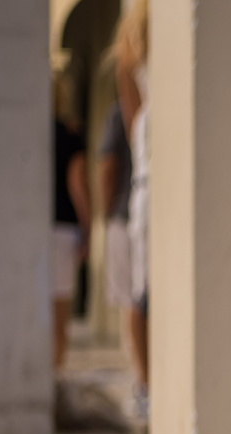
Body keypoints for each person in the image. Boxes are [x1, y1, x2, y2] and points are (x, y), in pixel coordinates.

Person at [98, 98, 146, 416]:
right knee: (139, 300)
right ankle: (145, 381)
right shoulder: (123, 113)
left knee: (135, 299)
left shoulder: (123, 112)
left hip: (128, 213)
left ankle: (144, 382)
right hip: (133, 211)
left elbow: (108, 166)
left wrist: (106, 212)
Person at [115, 0, 149, 423]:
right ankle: (146, 383)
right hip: (152, 183)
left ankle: (149, 384)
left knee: (147, 293)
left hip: (153, 180)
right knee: (144, 294)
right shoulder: (134, 43)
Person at [52, 77, 91, 375]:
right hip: (62, 229)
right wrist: (87, 229)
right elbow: (77, 185)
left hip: (27, 226)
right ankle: (55, 375)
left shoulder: (20, 133)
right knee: (59, 310)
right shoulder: (69, 135)